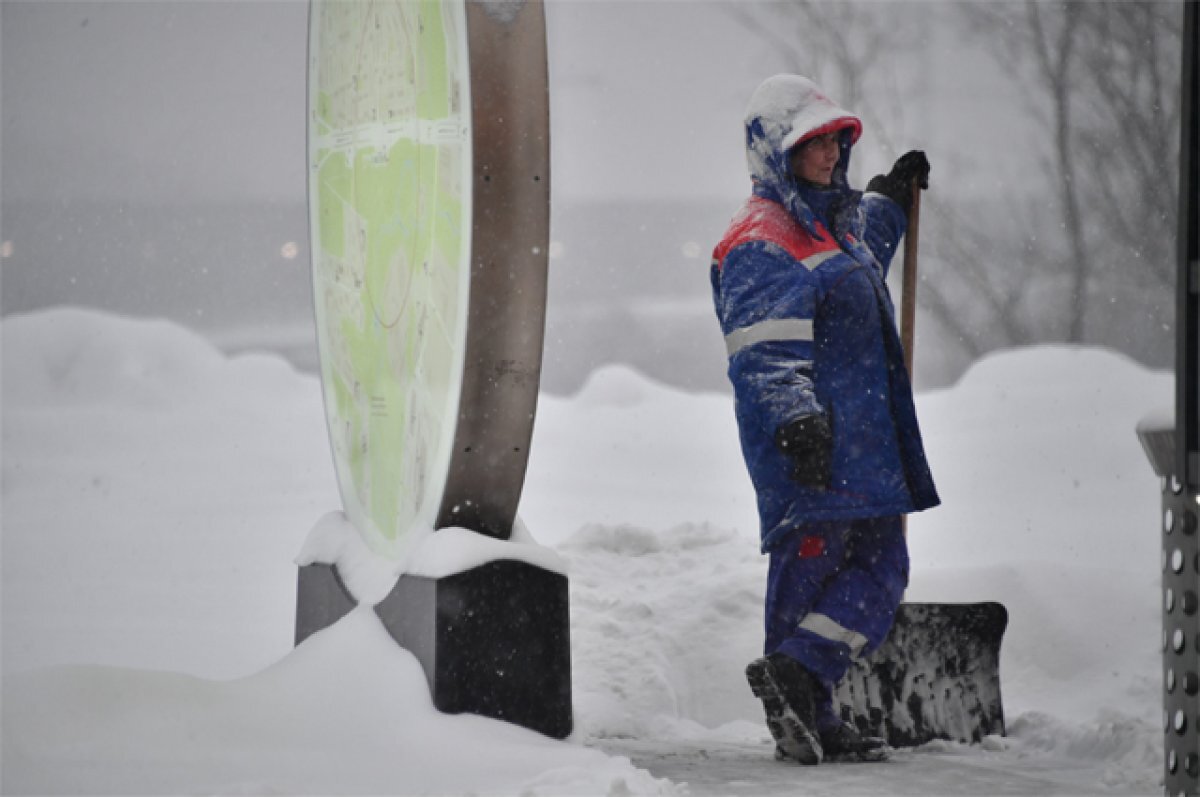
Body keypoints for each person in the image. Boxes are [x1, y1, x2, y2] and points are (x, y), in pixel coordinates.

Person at [710, 74, 940, 765]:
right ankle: (808, 699)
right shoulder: (761, 240)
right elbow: (763, 349)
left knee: (880, 566)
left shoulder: (833, 225)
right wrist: (794, 421)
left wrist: (890, 198)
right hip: (811, 444)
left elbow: (858, 253)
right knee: (810, 572)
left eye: (836, 139)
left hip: (864, 444)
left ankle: (804, 682)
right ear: (779, 152)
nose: (832, 153)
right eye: (814, 143)